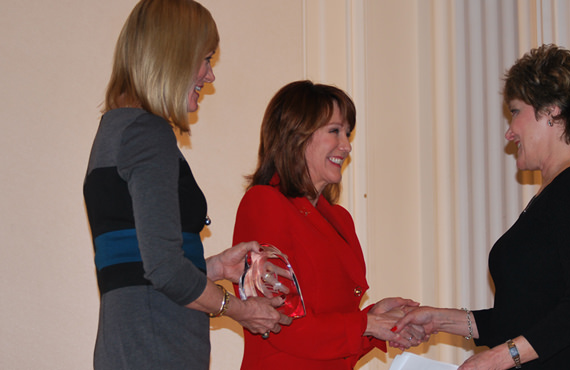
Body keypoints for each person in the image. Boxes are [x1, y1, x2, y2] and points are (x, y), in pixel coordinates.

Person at [83, 1, 291, 368]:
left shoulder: (115, 131)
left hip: (130, 348)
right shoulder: (148, 134)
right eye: (206, 58)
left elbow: (135, 266)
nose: (210, 75)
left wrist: (210, 267)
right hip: (158, 350)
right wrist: (241, 309)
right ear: (173, 56)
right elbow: (164, 271)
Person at [394, 44, 570, 370]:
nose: (509, 131)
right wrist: (440, 319)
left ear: (552, 111)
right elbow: (521, 320)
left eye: (515, 112)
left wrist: (500, 357)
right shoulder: (555, 193)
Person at [232, 80, 425, 369]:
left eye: (347, 133)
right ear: (295, 135)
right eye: (334, 131)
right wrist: (367, 323)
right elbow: (279, 323)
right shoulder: (264, 203)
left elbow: (334, 343)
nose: (346, 146)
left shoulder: (340, 220)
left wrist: (376, 318)